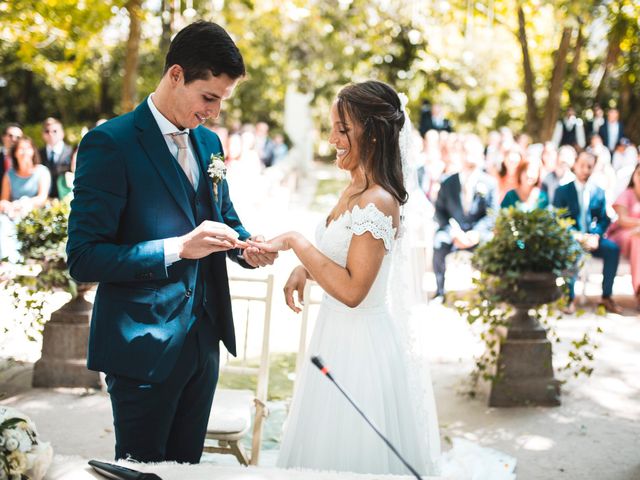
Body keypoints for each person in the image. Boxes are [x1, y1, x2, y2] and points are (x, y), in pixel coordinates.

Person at [250, 81, 514, 477]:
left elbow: (355, 290)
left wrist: (294, 241)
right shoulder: (353, 188)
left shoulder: (380, 201)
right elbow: (345, 258)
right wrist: (307, 269)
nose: (332, 138)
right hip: (333, 335)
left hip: (362, 349)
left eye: (342, 129)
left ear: (372, 133)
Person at [66, 21, 276, 464]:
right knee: (142, 471)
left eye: (222, 100)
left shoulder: (209, 143)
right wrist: (178, 248)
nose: (215, 112)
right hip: (142, 348)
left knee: (188, 471)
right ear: (176, 75)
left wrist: (247, 247)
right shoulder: (109, 144)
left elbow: (224, 218)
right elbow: (84, 258)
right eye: (209, 98)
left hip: (204, 344)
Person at [553, 151, 621, 314]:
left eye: (589, 166)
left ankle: (606, 296)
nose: (585, 170)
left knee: (613, 249)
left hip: (592, 238)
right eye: (582, 165)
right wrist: (576, 236)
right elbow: (558, 219)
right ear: (575, 165)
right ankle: (569, 298)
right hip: (572, 239)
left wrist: (596, 235)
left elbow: (604, 218)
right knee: (570, 251)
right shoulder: (562, 191)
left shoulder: (598, 191)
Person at [0, 137, 51, 262]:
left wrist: (22, 203)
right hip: (12, 214)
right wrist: (8, 206)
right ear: (15, 153)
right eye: (21, 149)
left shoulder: (42, 171)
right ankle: (10, 262)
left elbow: (42, 198)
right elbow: (3, 200)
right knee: (3, 222)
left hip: (33, 212)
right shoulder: (9, 175)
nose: (24, 152)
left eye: (27, 148)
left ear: (33, 151)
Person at [607, 164, 640, 310]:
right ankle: (639, 290)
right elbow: (623, 220)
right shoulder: (626, 194)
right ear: (634, 175)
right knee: (637, 238)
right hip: (623, 236)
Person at [39, 117, 74, 199]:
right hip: (45, 199)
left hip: (67, 198)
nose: (51, 134)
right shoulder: (38, 154)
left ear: (62, 133)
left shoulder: (72, 152)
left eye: (55, 131)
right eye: (47, 131)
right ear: (43, 135)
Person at [0, 123, 23, 196]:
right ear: (3, 137)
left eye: (18, 137)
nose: (14, 139)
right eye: (10, 136)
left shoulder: (26, 159)